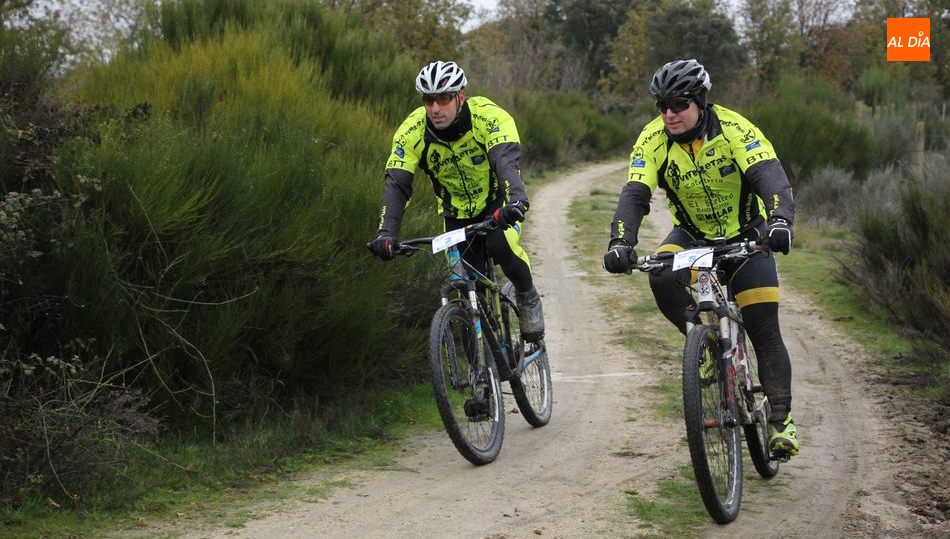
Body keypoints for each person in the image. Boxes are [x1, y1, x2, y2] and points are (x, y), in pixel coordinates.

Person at [602, 59, 798, 458]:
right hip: (693, 236)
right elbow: (635, 195)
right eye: (662, 106)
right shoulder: (653, 139)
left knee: (763, 327)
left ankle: (781, 421)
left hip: (746, 236)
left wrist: (780, 220)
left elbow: (769, 177)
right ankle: (702, 343)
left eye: (678, 104)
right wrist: (621, 242)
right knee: (659, 275)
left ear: (700, 101)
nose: (669, 114)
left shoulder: (734, 128)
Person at [369, 60, 544, 341]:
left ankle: (528, 295)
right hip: (455, 214)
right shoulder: (412, 131)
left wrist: (516, 201)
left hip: (497, 204)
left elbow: (505, 164)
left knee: (500, 243)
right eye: (428, 100)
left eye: (443, 98)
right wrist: (386, 232)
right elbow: (397, 184)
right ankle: (482, 370)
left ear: (460, 96)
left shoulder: (488, 117)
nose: (435, 108)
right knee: (463, 284)